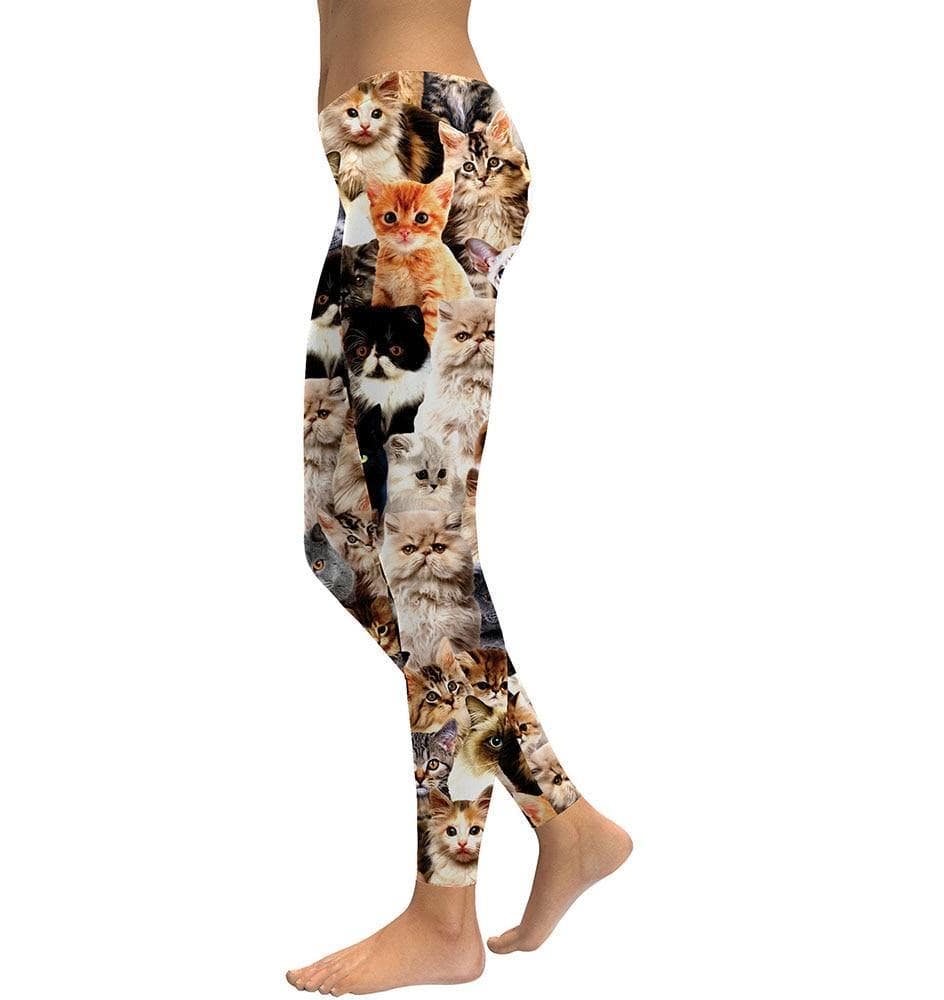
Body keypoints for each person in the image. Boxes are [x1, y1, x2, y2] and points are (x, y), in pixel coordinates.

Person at [293, 1, 632, 993]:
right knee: (336, 540)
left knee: (425, 558)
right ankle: (562, 816)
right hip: (371, 167)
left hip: (425, 144)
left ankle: (445, 917)